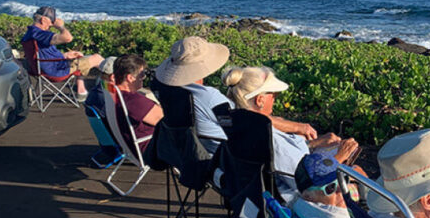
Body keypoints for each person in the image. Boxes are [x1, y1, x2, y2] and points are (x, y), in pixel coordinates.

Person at [154, 39, 320, 155]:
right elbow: (249, 122)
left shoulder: (170, 90)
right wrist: (299, 129)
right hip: (223, 160)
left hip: (185, 154)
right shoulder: (209, 98)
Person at [223, 65, 343, 204]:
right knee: (356, 174)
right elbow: (307, 183)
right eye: (274, 95)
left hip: (249, 196)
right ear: (260, 100)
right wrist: (340, 156)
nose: (275, 99)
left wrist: (311, 144)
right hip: (295, 202)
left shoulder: (237, 127)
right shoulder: (270, 138)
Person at [20, 6, 103, 102]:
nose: (50, 26)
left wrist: (65, 55)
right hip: (56, 71)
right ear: (43, 20)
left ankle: (81, 91)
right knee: (97, 58)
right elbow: (68, 38)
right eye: (50, 23)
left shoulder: (30, 34)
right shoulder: (39, 34)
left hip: (45, 68)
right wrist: (60, 27)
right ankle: (110, 89)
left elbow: (43, 55)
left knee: (78, 55)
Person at [112, 54, 163, 154]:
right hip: (152, 150)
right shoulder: (133, 100)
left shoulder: (114, 95)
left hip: (130, 148)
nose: (144, 78)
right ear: (130, 78)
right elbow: (165, 119)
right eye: (142, 74)